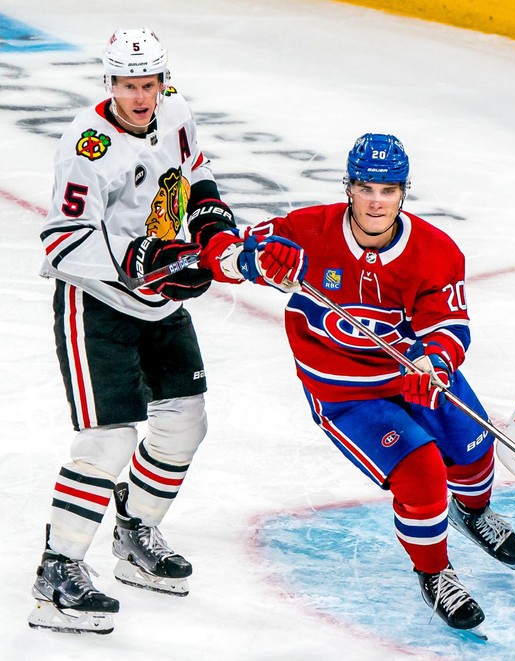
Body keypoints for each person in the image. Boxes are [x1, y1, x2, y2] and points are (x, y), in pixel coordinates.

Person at [198, 132, 515, 634]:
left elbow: (450, 326)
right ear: (348, 187)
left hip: (416, 376)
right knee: (422, 475)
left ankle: (474, 512)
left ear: (403, 192)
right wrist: (255, 260)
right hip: (345, 391)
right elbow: (226, 255)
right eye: (367, 187)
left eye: (388, 189)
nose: (376, 200)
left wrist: (435, 365)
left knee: (475, 451)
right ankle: (435, 573)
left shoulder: (436, 251)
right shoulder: (306, 231)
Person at [30, 27, 298, 635]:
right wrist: (139, 261)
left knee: (184, 424)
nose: (140, 95)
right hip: (95, 305)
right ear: (110, 83)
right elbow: (60, 242)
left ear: (162, 80)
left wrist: (211, 228)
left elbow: (194, 171)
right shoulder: (87, 144)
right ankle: (56, 573)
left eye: (148, 83)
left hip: (157, 304)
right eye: (128, 85)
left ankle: (134, 533)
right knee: (109, 442)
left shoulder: (175, 111)